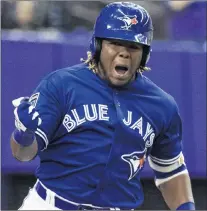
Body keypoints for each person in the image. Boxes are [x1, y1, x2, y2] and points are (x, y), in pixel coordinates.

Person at [11, 2, 195, 210]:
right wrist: (23, 135)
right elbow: (22, 154)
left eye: (133, 46)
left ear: (145, 54)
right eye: (115, 43)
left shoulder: (162, 106)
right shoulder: (61, 85)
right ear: (97, 46)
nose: (124, 53)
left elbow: (171, 171)